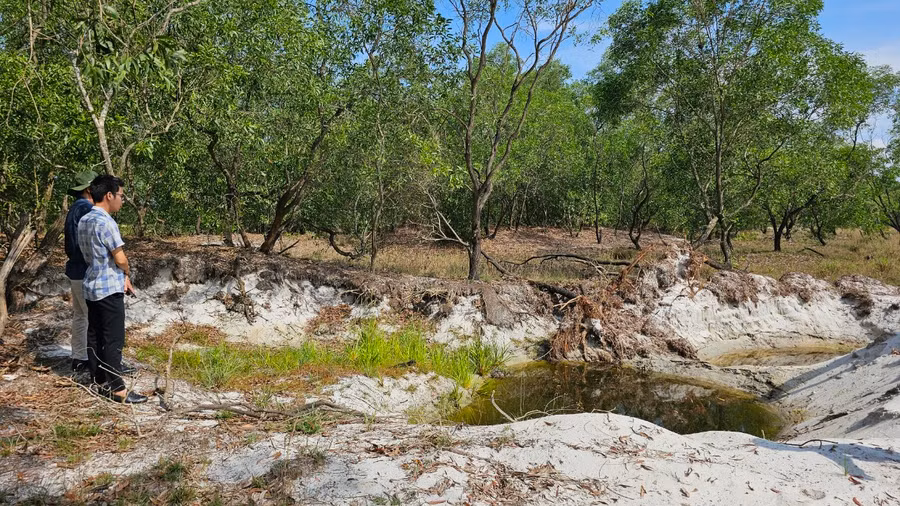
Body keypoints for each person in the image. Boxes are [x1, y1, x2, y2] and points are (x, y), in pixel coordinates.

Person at [76, 175, 147, 404]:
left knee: (95, 336)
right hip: (108, 288)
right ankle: (118, 390)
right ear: (109, 195)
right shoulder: (106, 222)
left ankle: (99, 381)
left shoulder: (84, 219)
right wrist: (126, 272)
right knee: (113, 339)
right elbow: (120, 257)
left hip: (91, 285)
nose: (122, 201)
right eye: (121, 196)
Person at [63, 171, 96, 379]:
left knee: (81, 315)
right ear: (88, 189)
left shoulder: (74, 208)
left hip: (75, 269)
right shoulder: (87, 209)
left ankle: (79, 358)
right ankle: (96, 362)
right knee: (93, 317)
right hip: (85, 270)